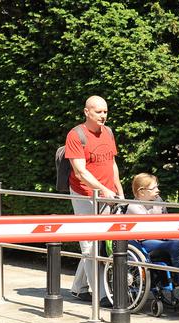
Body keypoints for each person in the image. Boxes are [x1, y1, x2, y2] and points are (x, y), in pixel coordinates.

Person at [67, 95, 124, 302]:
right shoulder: (76, 135)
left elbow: (112, 163)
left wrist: (118, 189)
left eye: (105, 112)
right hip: (84, 194)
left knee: (99, 242)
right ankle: (100, 295)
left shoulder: (108, 132)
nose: (103, 116)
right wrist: (102, 190)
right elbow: (80, 172)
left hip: (107, 194)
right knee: (90, 243)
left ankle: (79, 286)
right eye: (98, 112)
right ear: (86, 112)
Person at [124, 173, 179, 299]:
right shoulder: (134, 207)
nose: (158, 190)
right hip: (144, 242)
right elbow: (152, 229)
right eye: (153, 188)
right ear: (142, 192)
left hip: (161, 236)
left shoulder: (158, 201)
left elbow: (165, 221)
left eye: (157, 187)